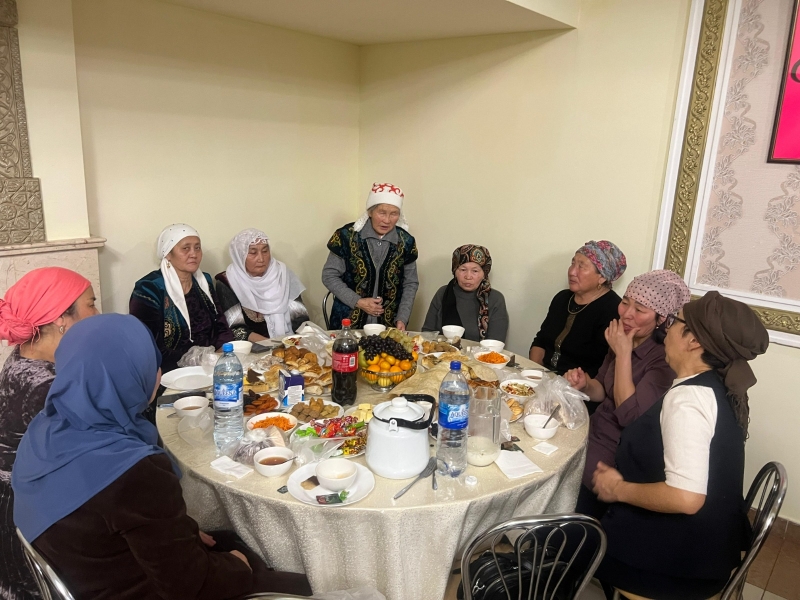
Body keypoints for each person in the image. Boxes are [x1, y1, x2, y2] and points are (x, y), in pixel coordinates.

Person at [12, 314, 313, 599]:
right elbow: (192, 587)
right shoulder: (131, 470)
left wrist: (177, 532)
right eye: (149, 365)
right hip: (138, 588)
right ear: (130, 378)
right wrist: (238, 566)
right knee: (303, 584)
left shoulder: (43, 429)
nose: (157, 373)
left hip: (89, 571)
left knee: (227, 538)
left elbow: (118, 519)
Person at [591, 291, 769, 599]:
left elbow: (686, 498)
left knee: (571, 541)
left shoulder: (689, 399)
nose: (667, 328)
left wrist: (617, 488)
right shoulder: (714, 385)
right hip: (705, 551)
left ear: (694, 341)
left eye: (674, 321)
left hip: (680, 566)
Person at [0, 267, 98, 600]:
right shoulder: (48, 386)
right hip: (33, 516)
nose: (97, 313)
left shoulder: (25, 356)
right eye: (91, 304)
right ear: (60, 319)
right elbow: (91, 468)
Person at [566, 270, 691, 519]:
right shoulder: (625, 337)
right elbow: (602, 390)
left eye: (640, 309)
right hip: (592, 430)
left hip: (618, 451)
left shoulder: (664, 359)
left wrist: (623, 353)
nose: (626, 314)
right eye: (625, 302)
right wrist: (585, 384)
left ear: (662, 318)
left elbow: (629, 417)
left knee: (558, 475)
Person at [130, 224, 234, 372]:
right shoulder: (150, 288)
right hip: (171, 370)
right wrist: (196, 362)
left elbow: (221, 325)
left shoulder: (204, 281)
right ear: (168, 253)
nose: (193, 254)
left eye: (197, 248)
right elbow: (149, 345)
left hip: (213, 363)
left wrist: (222, 354)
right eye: (186, 248)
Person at [322, 182, 419, 330]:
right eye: (382, 213)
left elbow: (410, 283)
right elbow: (329, 275)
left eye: (394, 214)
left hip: (389, 324)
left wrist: (402, 318)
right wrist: (358, 301)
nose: (387, 220)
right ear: (370, 211)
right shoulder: (346, 236)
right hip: (348, 322)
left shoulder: (406, 242)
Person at [529, 240, 626, 379]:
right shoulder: (562, 298)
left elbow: (599, 368)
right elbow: (541, 341)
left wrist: (562, 384)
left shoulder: (613, 310)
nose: (572, 271)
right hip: (542, 377)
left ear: (602, 277)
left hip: (577, 386)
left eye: (581, 266)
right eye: (572, 263)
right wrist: (534, 373)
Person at [215, 228, 310, 342]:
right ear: (240, 256)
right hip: (253, 346)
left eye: (265, 251)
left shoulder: (282, 274)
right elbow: (237, 329)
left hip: (290, 341)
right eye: (253, 253)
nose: (261, 259)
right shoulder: (228, 281)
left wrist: (299, 342)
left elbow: (300, 317)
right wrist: (273, 344)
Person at [422, 244, 509, 342]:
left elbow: (495, 342)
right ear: (455, 271)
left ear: (484, 273)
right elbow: (427, 333)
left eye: (475, 271)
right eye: (463, 270)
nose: (468, 276)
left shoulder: (495, 299)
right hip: (441, 350)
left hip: (480, 352)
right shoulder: (443, 293)